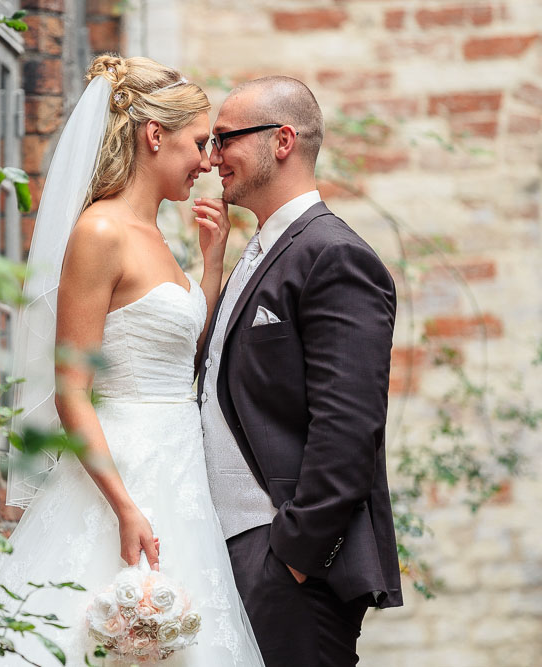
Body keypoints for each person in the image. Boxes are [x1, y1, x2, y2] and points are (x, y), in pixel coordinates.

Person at [0, 55, 264, 665]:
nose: (209, 161)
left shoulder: (157, 233)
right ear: (153, 136)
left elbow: (178, 348)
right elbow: (72, 391)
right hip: (123, 469)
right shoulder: (99, 232)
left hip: (181, 462)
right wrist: (125, 506)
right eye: (199, 143)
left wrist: (211, 264)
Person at [196, 75, 403, 667]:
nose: (212, 158)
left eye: (225, 139)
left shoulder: (334, 256)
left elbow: (349, 426)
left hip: (288, 567)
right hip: (230, 550)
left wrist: (294, 556)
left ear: (281, 140)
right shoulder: (260, 250)